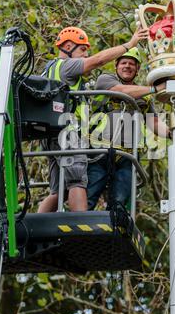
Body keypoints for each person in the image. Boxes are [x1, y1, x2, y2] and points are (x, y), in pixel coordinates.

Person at [38, 26, 149, 213]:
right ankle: (80, 227)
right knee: (78, 180)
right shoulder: (66, 66)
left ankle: (33, 231)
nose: (85, 54)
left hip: (50, 134)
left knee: (59, 191)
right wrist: (129, 44)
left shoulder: (49, 69)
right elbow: (98, 60)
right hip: (66, 132)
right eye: (82, 49)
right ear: (67, 46)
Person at [87, 47, 169, 210]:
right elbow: (122, 91)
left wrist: (172, 132)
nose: (127, 66)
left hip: (127, 157)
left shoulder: (143, 97)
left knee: (119, 203)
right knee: (89, 197)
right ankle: (77, 232)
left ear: (137, 69)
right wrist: (155, 89)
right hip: (99, 152)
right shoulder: (105, 80)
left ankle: (115, 231)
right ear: (116, 66)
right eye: (123, 62)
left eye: (132, 64)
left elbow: (153, 122)